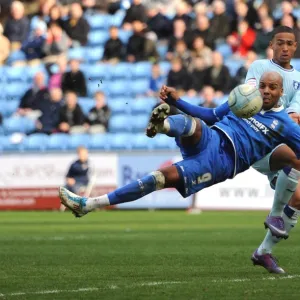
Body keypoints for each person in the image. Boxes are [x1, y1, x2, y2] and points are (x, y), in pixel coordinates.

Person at [59, 71, 300, 262]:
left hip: (222, 162)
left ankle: (88, 204)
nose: (266, 91)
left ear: (282, 92)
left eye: (272, 87)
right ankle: (161, 126)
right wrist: (177, 100)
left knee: (158, 178)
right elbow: (211, 114)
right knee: (193, 124)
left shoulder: (285, 125)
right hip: (213, 136)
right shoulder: (244, 97)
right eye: (263, 86)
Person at [243, 26, 300, 273]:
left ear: (295, 46)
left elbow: (295, 115)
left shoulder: (299, 79)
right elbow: (250, 98)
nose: (285, 48)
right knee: (294, 162)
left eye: (290, 43)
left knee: (297, 197)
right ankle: (278, 200)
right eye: (280, 43)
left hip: (282, 141)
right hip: (256, 139)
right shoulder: (258, 67)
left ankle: (263, 252)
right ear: (272, 45)